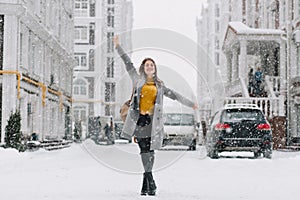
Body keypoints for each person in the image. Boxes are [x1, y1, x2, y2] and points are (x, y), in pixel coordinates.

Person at [113, 35, 198, 196]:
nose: (149, 67)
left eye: (151, 65)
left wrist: (190, 104)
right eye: (147, 65)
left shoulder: (159, 85)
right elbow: (127, 63)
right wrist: (118, 47)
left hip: (154, 122)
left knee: (150, 152)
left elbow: (174, 94)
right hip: (140, 121)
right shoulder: (137, 79)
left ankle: (147, 185)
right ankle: (150, 181)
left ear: (155, 68)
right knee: (144, 150)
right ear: (143, 68)